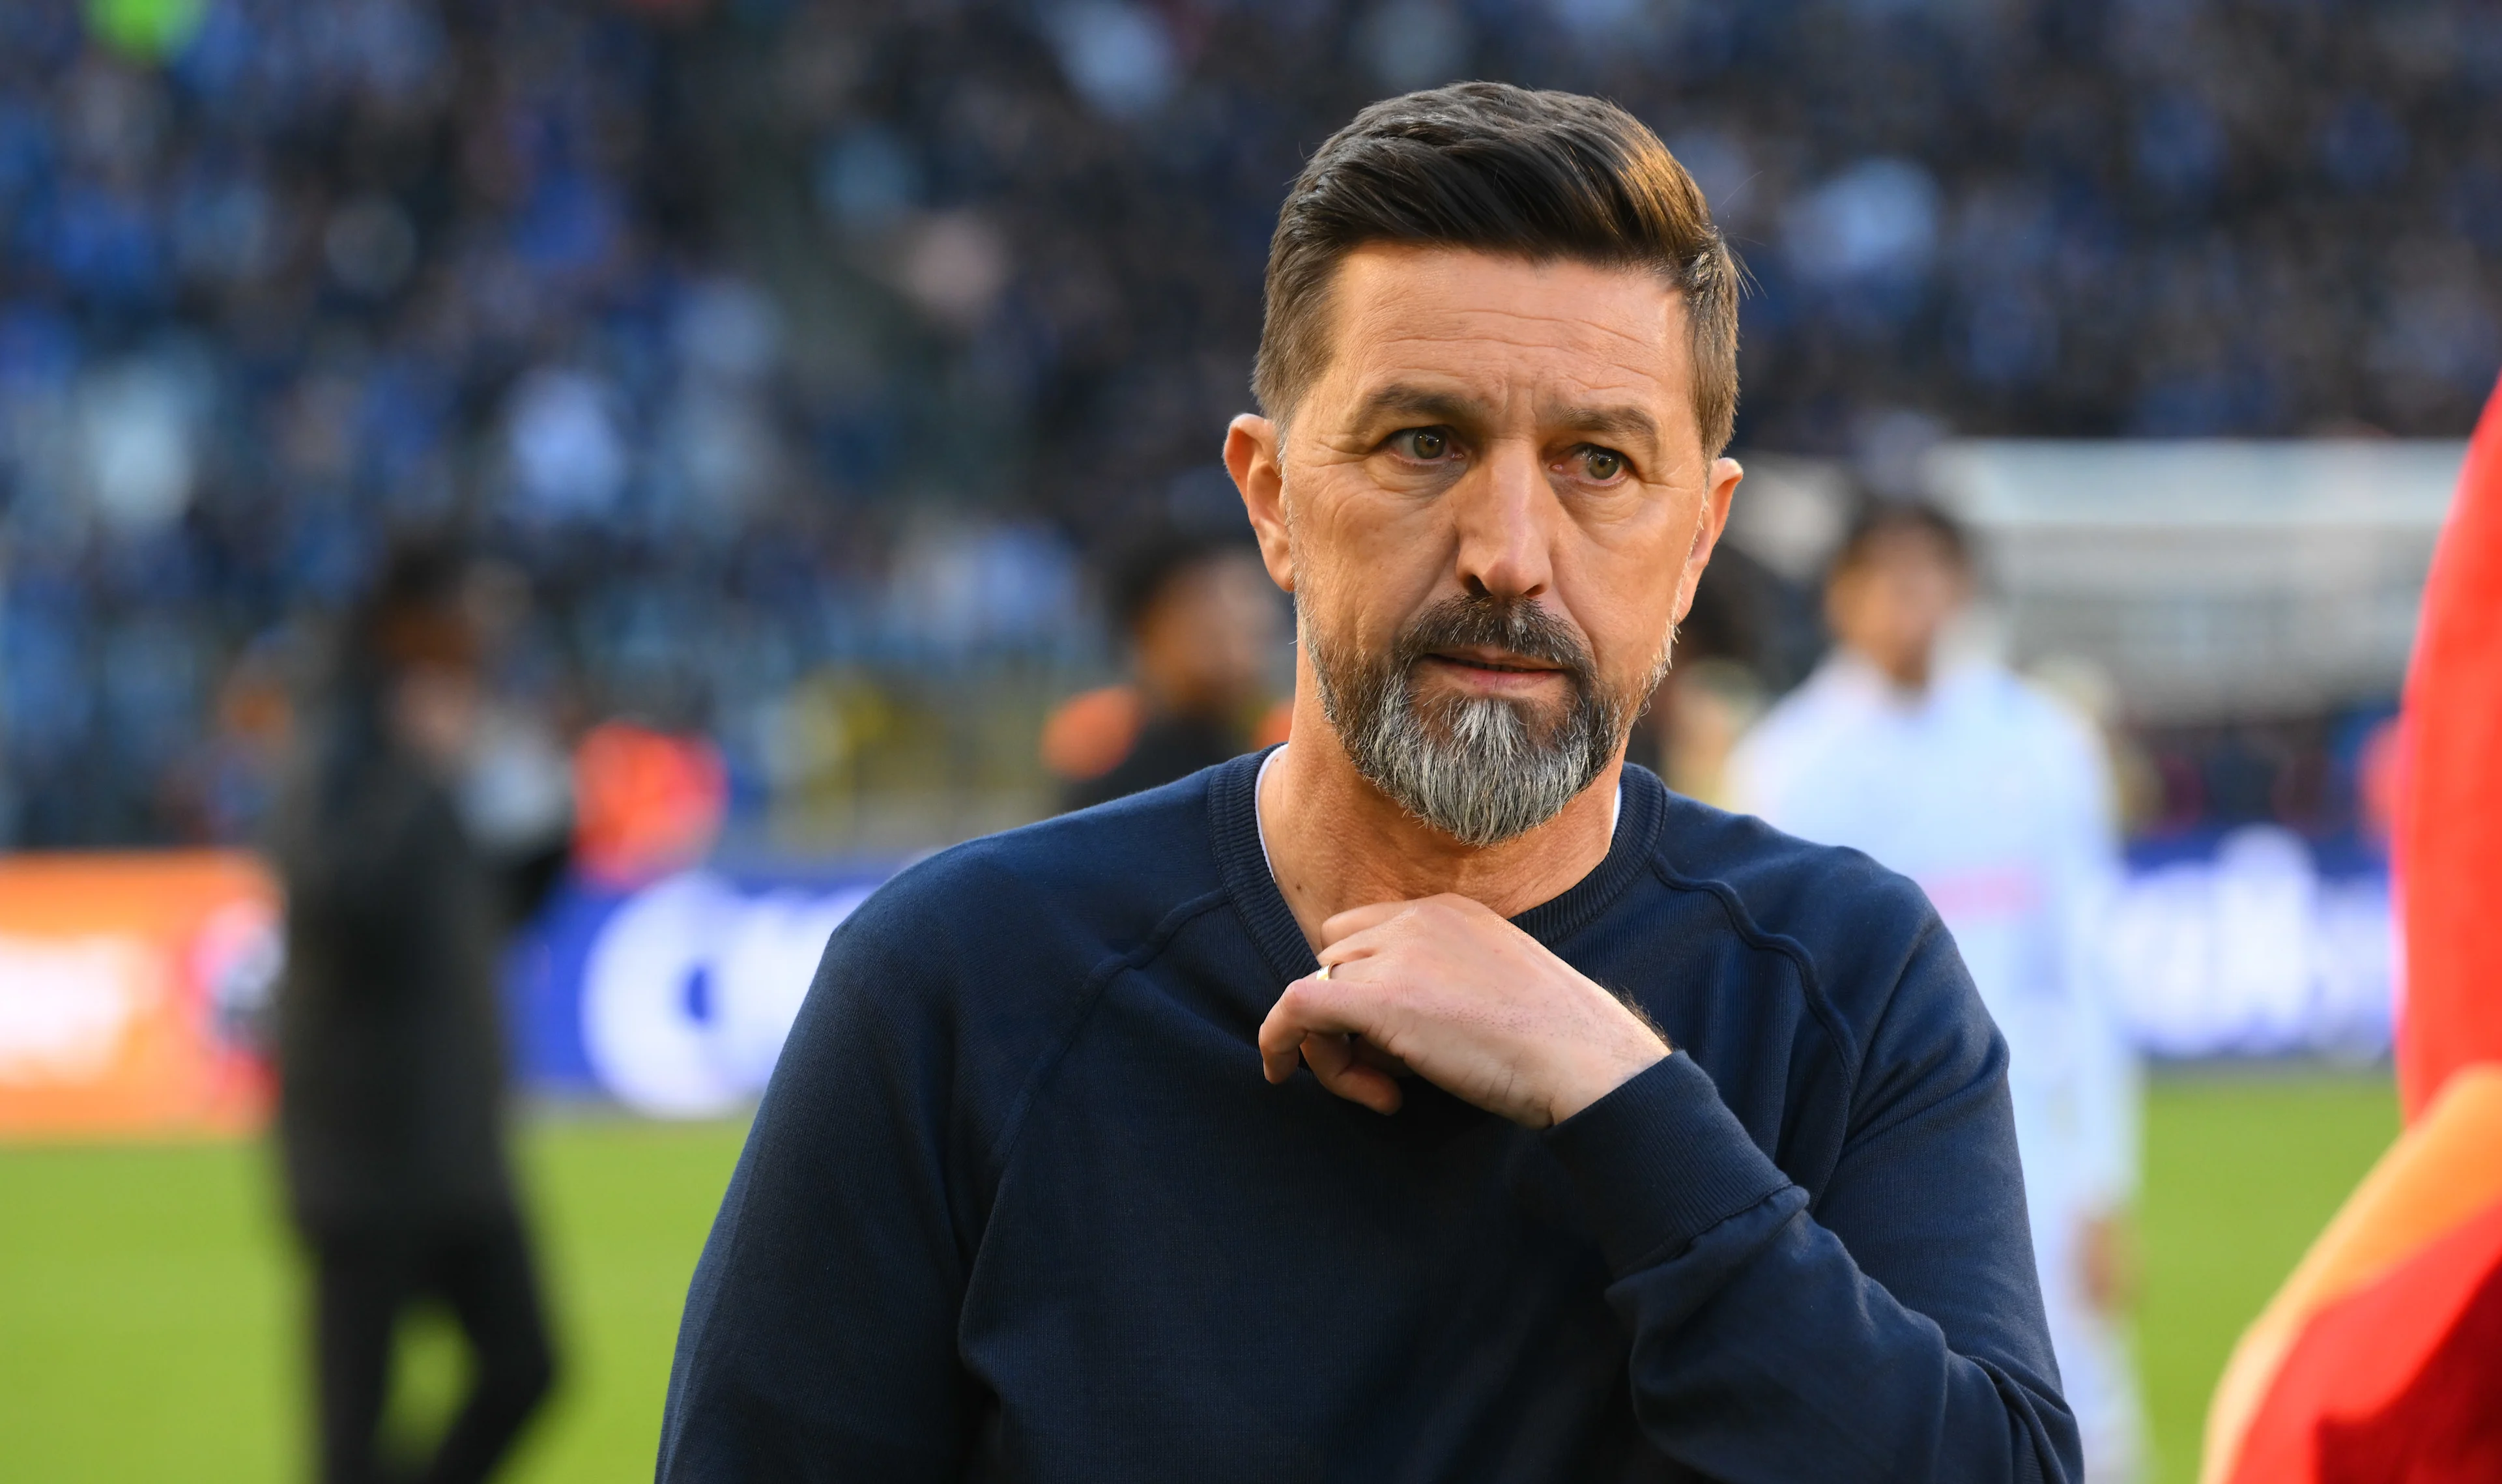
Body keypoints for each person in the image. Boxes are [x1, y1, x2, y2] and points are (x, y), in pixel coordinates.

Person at [658, 83, 2078, 1481]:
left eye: (1598, 461)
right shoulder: (960, 985)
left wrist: (1618, 1088)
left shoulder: (1851, 983)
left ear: (1700, 537)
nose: (1509, 553)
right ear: (1272, 498)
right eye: (1425, 443)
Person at [1728, 501, 2147, 1481]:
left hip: (2030, 1146)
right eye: (1883, 573)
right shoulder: (1789, 764)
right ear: (1839, 596)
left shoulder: (2042, 743)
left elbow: (2082, 978)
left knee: (2084, 1415)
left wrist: (2104, 1182)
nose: (1907, 597)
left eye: (1928, 571)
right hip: (1856, 1150)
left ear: (1965, 588)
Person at [270, 543, 559, 1484]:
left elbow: (496, 908)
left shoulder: (445, 743)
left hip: (457, 1141)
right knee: (351, 1438)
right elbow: (336, 902)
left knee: (526, 1366)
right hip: (364, 1149)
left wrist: (545, 818)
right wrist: (419, 769)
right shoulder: (340, 746)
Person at [1046, 529, 1287, 810]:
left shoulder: (1269, 752)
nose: (1252, 620)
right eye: (1209, 600)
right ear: (1149, 626)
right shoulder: (1120, 790)